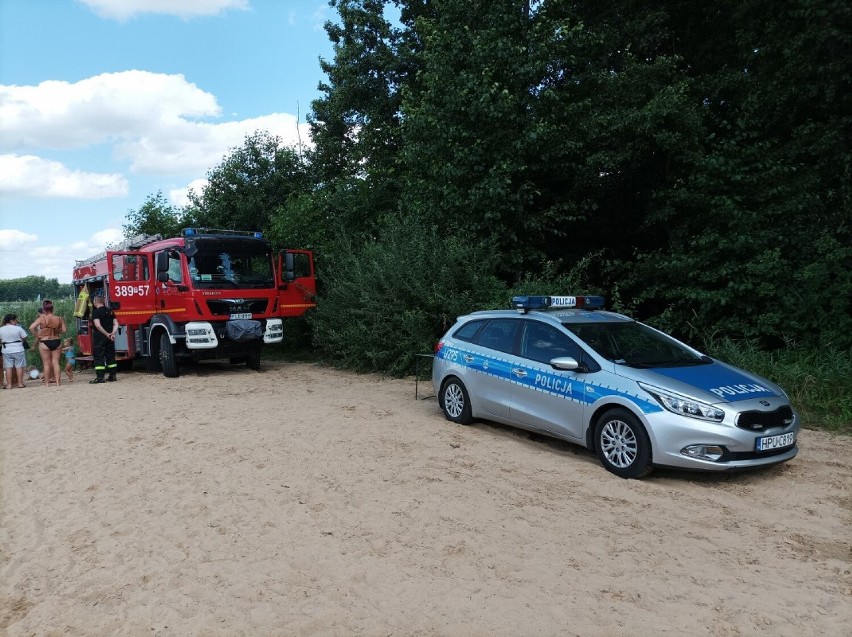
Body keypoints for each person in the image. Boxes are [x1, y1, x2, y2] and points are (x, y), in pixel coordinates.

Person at [29, 300, 67, 387]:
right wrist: (58, 331)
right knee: (56, 362)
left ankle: (46, 383)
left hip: (44, 341)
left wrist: (38, 336)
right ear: (53, 309)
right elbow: (64, 330)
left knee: (46, 364)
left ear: (44, 310)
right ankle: (58, 382)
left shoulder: (41, 318)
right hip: (56, 341)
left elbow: (31, 328)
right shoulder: (59, 318)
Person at [90, 294, 118, 383]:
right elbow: (116, 323)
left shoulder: (95, 312)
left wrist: (106, 334)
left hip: (99, 338)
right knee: (110, 356)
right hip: (110, 337)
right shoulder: (110, 311)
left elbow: (98, 325)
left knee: (99, 357)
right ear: (103, 301)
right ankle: (112, 376)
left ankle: (100, 378)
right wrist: (112, 333)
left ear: (95, 302)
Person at [0, 313, 29, 389]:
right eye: (15, 320)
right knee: (19, 366)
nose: (16, 321)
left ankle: (9, 385)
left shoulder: (1, 329)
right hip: (18, 348)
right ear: (11, 320)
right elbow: (25, 337)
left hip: (6, 349)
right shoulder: (18, 328)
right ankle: (20, 383)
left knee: (8, 367)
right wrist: (20, 341)